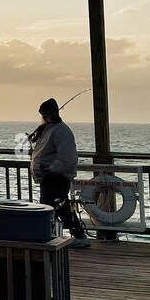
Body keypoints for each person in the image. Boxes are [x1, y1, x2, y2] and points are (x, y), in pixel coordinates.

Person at [29, 97, 90, 248]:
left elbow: (67, 157)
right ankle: (59, 235)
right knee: (57, 207)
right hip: (47, 177)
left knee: (56, 207)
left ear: (52, 114)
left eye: (45, 115)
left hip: (56, 178)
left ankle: (77, 235)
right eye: (42, 115)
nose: (43, 118)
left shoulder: (62, 131)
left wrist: (51, 169)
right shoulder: (48, 129)